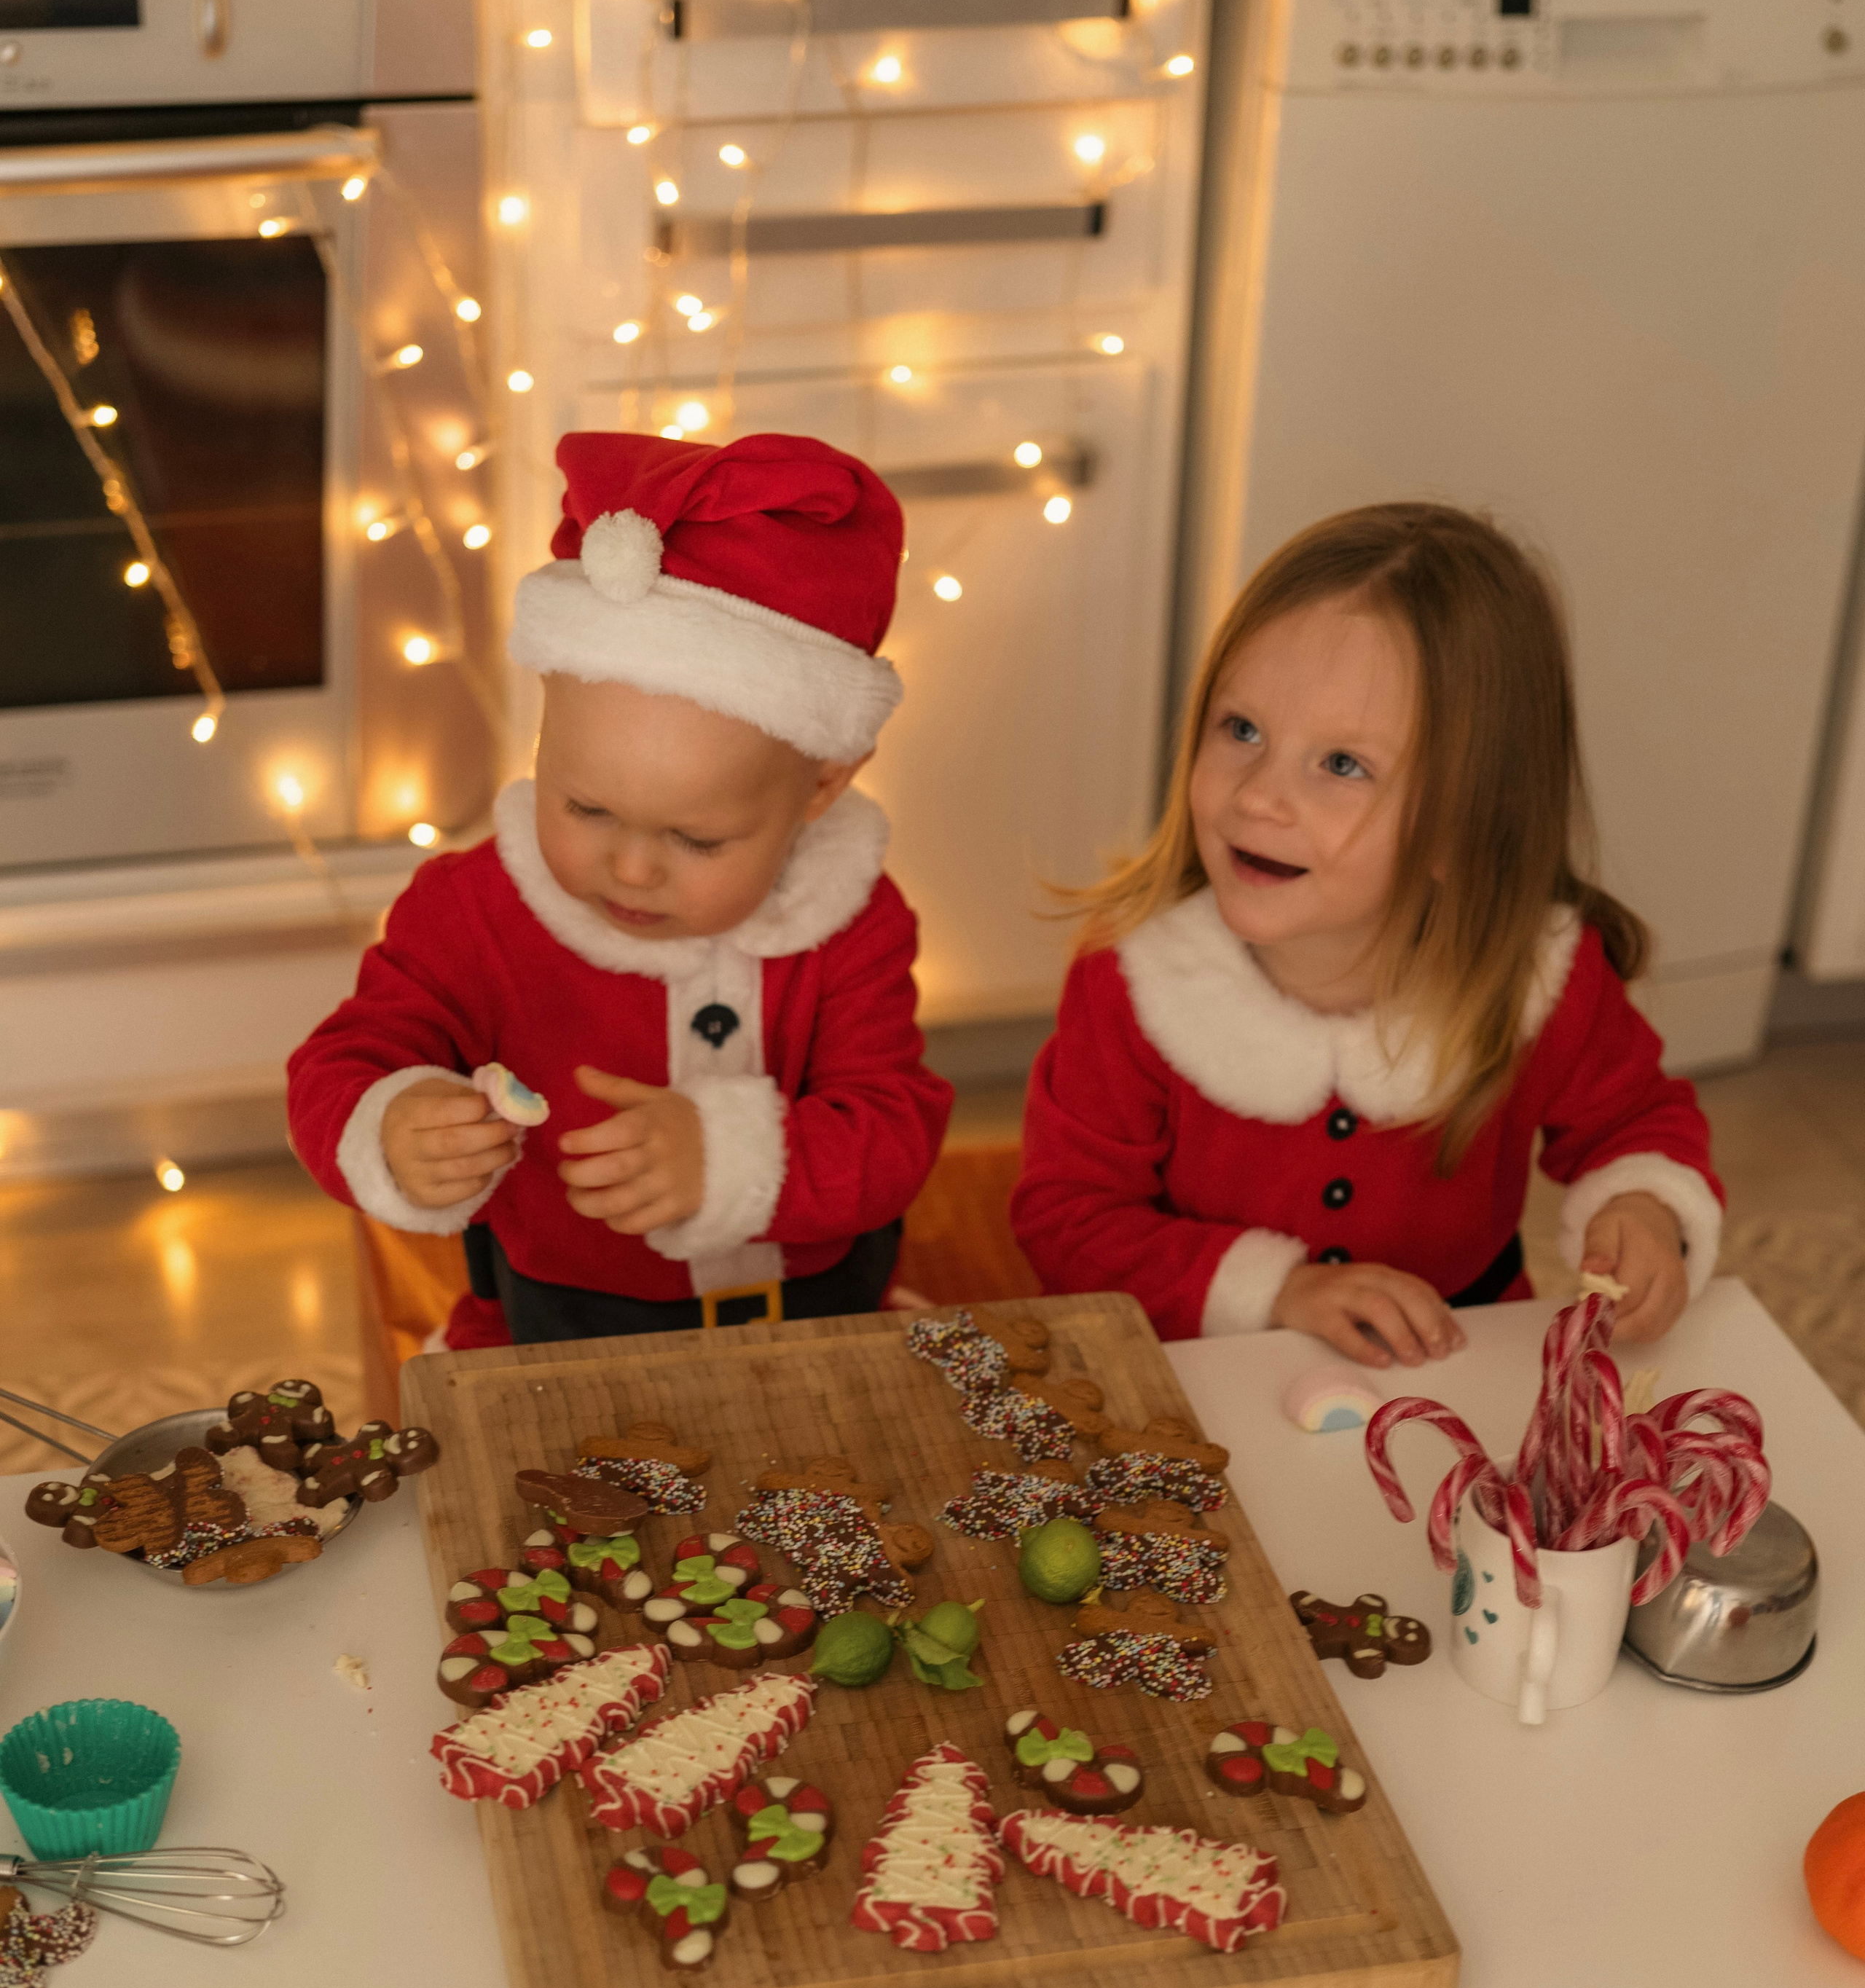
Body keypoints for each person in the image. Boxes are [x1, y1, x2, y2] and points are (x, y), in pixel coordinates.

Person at [1013, 503, 1721, 1367]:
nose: (1257, 798)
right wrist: (1277, 1291)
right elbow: (1068, 1220)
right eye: (1242, 730)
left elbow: (1633, 1120)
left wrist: (1644, 1206)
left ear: (1465, 827)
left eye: (1342, 765)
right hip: (1196, 1369)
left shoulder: (1543, 977)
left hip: (1460, 1364)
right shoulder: (1133, 981)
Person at [288, 429, 951, 1346]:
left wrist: (729, 1158)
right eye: (586, 808)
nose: (632, 868)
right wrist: (393, 1125)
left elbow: (893, 1133)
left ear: (824, 786)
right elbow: (342, 1063)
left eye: (696, 836)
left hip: (821, 1326)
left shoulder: (854, 923)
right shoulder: (472, 911)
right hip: (553, 1336)